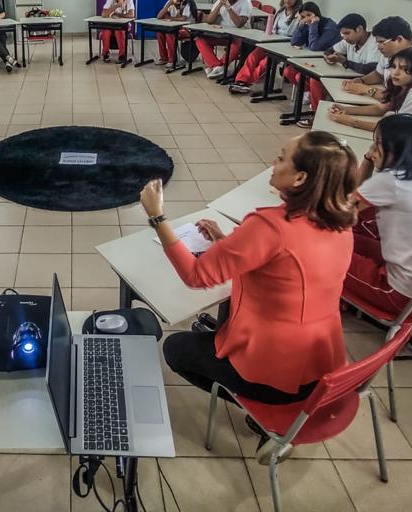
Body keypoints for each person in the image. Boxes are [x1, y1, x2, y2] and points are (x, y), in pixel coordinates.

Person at [140, 131, 357, 451]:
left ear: (300, 177)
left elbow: (196, 274)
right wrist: (226, 243)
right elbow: (286, 265)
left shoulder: (270, 225)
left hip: (274, 377)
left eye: (282, 157)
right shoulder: (340, 221)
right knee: (225, 311)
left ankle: (254, 409)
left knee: (174, 347)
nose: (274, 162)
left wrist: (157, 217)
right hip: (321, 368)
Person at [343, 114, 412, 317]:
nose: (372, 149)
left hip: (399, 296)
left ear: (398, 149)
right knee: (350, 238)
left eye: (377, 143)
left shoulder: (393, 181)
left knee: (322, 253)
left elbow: (340, 210)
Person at [296, 13, 383, 123]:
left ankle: (322, 116)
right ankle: (317, 113)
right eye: (343, 35)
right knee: (315, 81)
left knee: (324, 85)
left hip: (369, 83)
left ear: (360, 29)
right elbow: (329, 50)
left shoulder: (374, 43)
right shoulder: (349, 41)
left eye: (347, 33)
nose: (345, 38)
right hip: (351, 79)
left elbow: (371, 69)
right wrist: (328, 57)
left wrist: (345, 62)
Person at [328, 47, 412, 134]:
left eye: (404, 69)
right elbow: (381, 108)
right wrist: (346, 109)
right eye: (393, 66)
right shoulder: (400, 85)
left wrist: (351, 122)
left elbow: (395, 129)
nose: (395, 72)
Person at [229, 0, 302, 94]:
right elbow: (272, 29)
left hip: (284, 46)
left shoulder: (298, 15)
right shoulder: (281, 11)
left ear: (297, 0)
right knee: (253, 56)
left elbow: (292, 34)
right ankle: (241, 80)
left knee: (265, 63)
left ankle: (246, 83)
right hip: (272, 42)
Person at [343, 16, 412, 100]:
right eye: (377, 43)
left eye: (382, 42)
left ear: (399, 39)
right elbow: (378, 74)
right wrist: (361, 81)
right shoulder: (389, 52)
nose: (378, 47)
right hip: (384, 100)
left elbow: (400, 97)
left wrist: (366, 89)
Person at [195, 0, 253, 80]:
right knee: (200, 39)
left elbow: (239, 24)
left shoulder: (245, 2)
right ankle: (217, 66)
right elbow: (209, 20)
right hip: (222, 34)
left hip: (240, 36)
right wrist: (219, 6)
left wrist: (228, 7)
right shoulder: (220, 0)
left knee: (236, 44)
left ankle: (218, 66)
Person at [154, 0, 196, 66]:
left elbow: (184, 18)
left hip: (187, 29)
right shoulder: (169, 3)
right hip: (174, 28)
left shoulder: (186, 2)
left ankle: (172, 60)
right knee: (159, 32)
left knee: (170, 33)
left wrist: (170, 18)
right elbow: (159, 16)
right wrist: (168, 5)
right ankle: (163, 58)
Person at [100, 0, 135, 64]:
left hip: (123, 25)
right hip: (110, 25)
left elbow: (131, 15)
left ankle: (122, 56)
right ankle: (105, 54)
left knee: (119, 31)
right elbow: (104, 14)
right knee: (105, 31)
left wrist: (118, 15)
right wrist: (116, 6)